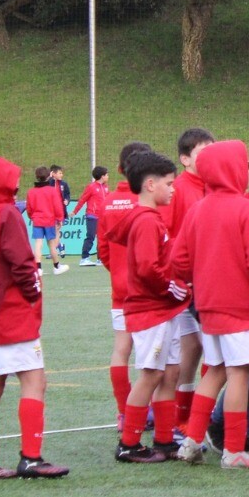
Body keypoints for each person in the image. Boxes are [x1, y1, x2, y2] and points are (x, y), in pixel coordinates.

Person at [170, 141, 249, 470]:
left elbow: (178, 261)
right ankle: (233, 450)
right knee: (239, 373)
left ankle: (191, 440)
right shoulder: (246, 209)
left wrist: (203, 278)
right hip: (241, 305)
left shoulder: (198, 209)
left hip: (208, 304)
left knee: (214, 372)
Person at [0, 156, 68, 480]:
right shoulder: (6, 213)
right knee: (35, 381)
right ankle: (31, 457)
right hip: (10, 314)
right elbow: (21, 263)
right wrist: (34, 290)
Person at [113, 150, 183, 464]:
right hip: (150, 310)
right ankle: (129, 443)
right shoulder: (145, 221)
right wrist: (173, 288)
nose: (173, 189)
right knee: (151, 375)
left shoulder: (150, 218)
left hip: (159, 309)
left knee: (169, 373)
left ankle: (165, 439)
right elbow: (146, 267)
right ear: (150, 185)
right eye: (169, 183)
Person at [98, 141, 152, 423]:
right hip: (147, 293)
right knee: (152, 355)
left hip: (120, 291)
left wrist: (118, 272)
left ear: (120, 169)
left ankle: (124, 411)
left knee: (121, 350)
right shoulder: (147, 201)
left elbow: (104, 251)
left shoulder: (107, 203)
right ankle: (146, 410)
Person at [165, 127, 214, 428]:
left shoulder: (214, 186)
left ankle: (194, 419)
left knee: (202, 348)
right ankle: (181, 419)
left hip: (207, 284)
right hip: (184, 286)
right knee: (190, 350)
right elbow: (165, 236)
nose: (209, 157)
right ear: (185, 159)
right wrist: (179, 276)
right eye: (202, 152)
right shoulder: (179, 189)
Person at [26, 166, 69, 275]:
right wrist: (60, 219)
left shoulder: (31, 192)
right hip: (49, 220)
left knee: (38, 243)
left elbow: (29, 207)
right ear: (49, 176)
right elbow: (57, 206)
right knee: (51, 244)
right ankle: (56, 266)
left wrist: (32, 216)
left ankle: (38, 268)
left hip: (37, 220)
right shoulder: (51, 191)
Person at [73, 165, 110, 267]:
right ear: (102, 176)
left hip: (103, 217)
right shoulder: (91, 187)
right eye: (107, 175)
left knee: (102, 238)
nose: (108, 176)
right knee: (90, 237)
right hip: (92, 216)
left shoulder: (106, 188)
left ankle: (100, 259)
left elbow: (108, 201)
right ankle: (84, 258)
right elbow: (82, 199)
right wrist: (75, 211)